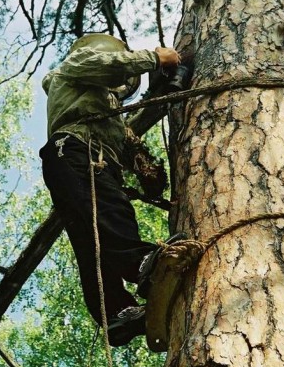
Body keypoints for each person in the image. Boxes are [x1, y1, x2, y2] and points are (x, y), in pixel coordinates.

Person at [39, 33, 183, 346]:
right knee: (109, 212)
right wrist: (155, 58)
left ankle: (119, 313)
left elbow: (132, 149)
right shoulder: (75, 67)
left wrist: (150, 172)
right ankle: (143, 263)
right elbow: (103, 64)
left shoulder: (111, 113)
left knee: (92, 242)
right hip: (74, 150)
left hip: (87, 161)